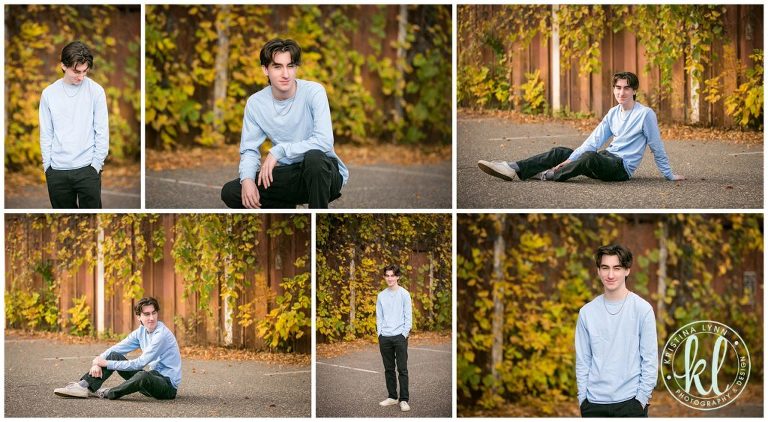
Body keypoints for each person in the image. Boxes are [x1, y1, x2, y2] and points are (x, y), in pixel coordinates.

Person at [477, 71, 685, 183]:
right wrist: (569, 159)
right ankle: (512, 168)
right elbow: (593, 141)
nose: (621, 93)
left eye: (626, 88)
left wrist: (668, 174)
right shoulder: (613, 113)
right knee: (561, 152)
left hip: (621, 168)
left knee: (588, 157)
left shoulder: (645, 114)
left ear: (634, 91)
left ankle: (548, 174)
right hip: (605, 157)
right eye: (618, 88)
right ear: (614, 89)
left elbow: (656, 146)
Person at [221, 38, 348, 209]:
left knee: (314, 158)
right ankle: (286, 207)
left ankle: (317, 217)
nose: (286, 74)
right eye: (277, 67)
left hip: (324, 173)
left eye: (290, 66)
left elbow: (324, 141)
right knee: (232, 192)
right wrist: (247, 180)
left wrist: (279, 151)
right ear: (265, 69)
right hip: (290, 174)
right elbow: (249, 150)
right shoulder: (256, 103)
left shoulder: (314, 92)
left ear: (296, 68)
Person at [575, 245, 658, 417]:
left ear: (627, 270)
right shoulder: (587, 312)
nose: (610, 275)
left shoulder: (642, 309)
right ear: (598, 271)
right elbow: (583, 360)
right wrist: (583, 399)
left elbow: (650, 360)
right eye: (605, 268)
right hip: (594, 404)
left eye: (617, 268)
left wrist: (641, 400)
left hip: (631, 403)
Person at [53, 297, 181, 400]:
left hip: (166, 386)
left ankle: (110, 392)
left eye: (154, 313)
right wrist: (97, 362)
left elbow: (140, 363)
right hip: (151, 379)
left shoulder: (161, 335)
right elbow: (117, 348)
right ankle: (83, 386)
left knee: (142, 375)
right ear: (139, 317)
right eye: (147, 314)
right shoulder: (141, 331)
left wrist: (107, 363)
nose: (151, 318)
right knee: (114, 355)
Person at [39, 41, 109, 208]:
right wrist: (47, 167)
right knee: (64, 219)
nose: (81, 77)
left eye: (85, 71)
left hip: (88, 169)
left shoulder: (96, 91)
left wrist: (96, 165)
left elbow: (102, 131)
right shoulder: (48, 94)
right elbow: (46, 133)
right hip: (57, 172)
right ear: (63, 66)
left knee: (92, 220)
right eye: (76, 71)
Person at [376, 264, 412, 412]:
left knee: (402, 369)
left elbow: (408, 316)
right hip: (385, 337)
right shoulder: (381, 296)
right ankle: (392, 397)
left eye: (392, 275)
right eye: (387, 275)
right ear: (384, 277)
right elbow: (379, 317)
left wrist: (404, 334)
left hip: (400, 337)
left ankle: (404, 400)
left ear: (398, 277)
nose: (390, 278)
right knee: (389, 369)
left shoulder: (404, 294)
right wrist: (380, 334)